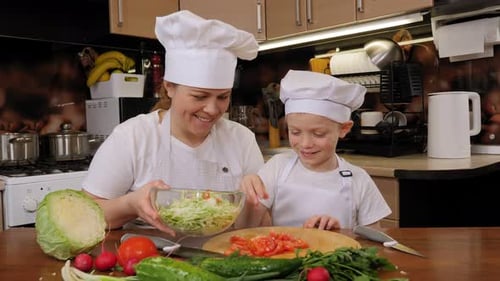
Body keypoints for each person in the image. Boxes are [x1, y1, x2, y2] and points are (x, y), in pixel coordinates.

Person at [82, 10, 264, 235]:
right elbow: (87, 214)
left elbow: (260, 223)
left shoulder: (242, 139)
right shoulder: (132, 137)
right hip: (147, 259)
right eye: (199, 96)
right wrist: (131, 204)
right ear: (169, 86)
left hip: (221, 257)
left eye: (223, 97)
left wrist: (256, 201)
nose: (212, 109)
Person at [237, 70, 391, 230]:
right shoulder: (277, 167)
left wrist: (342, 233)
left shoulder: (358, 180)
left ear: (344, 128)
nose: (305, 144)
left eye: (318, 134)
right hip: (284, 255)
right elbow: (246, 229)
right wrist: (249, 198)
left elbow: (374, 240)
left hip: (335, 253)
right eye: (295, 132)